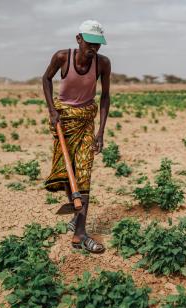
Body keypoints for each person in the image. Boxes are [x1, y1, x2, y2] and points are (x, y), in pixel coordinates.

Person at [42, 20, 111, 253]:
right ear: (78, 39)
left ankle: (79, 234)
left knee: (83, 172)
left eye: (98, 45)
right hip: (63, 122)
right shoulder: (62, 57)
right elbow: (46, 79)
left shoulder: (102, 64)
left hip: (86, 122)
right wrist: (52, 109)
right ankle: (76, 211)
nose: (94, 49)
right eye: (90, 43)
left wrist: (100, 131)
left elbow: (105, 97)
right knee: (66, 172)